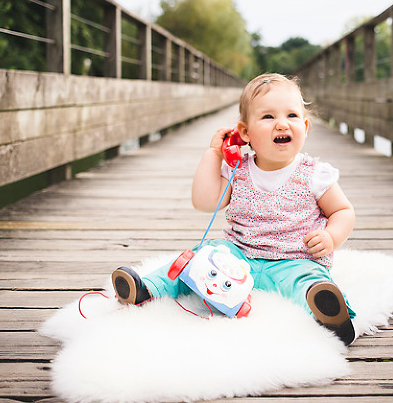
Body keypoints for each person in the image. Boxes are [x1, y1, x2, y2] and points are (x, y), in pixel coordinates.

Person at [111, 73, 356, 345]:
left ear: (306, 126)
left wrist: (331, 237)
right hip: (238, 256)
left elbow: (343, 211)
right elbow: (204, 202)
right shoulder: (237, 169)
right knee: (198, 258)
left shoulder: (314, 173)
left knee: (307, 280)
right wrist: (214, 154)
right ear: (244, 133)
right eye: (268, 117)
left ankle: (328, 309)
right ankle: (148, 289)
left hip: (294, 259)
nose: (282, 124)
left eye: (292, 116)